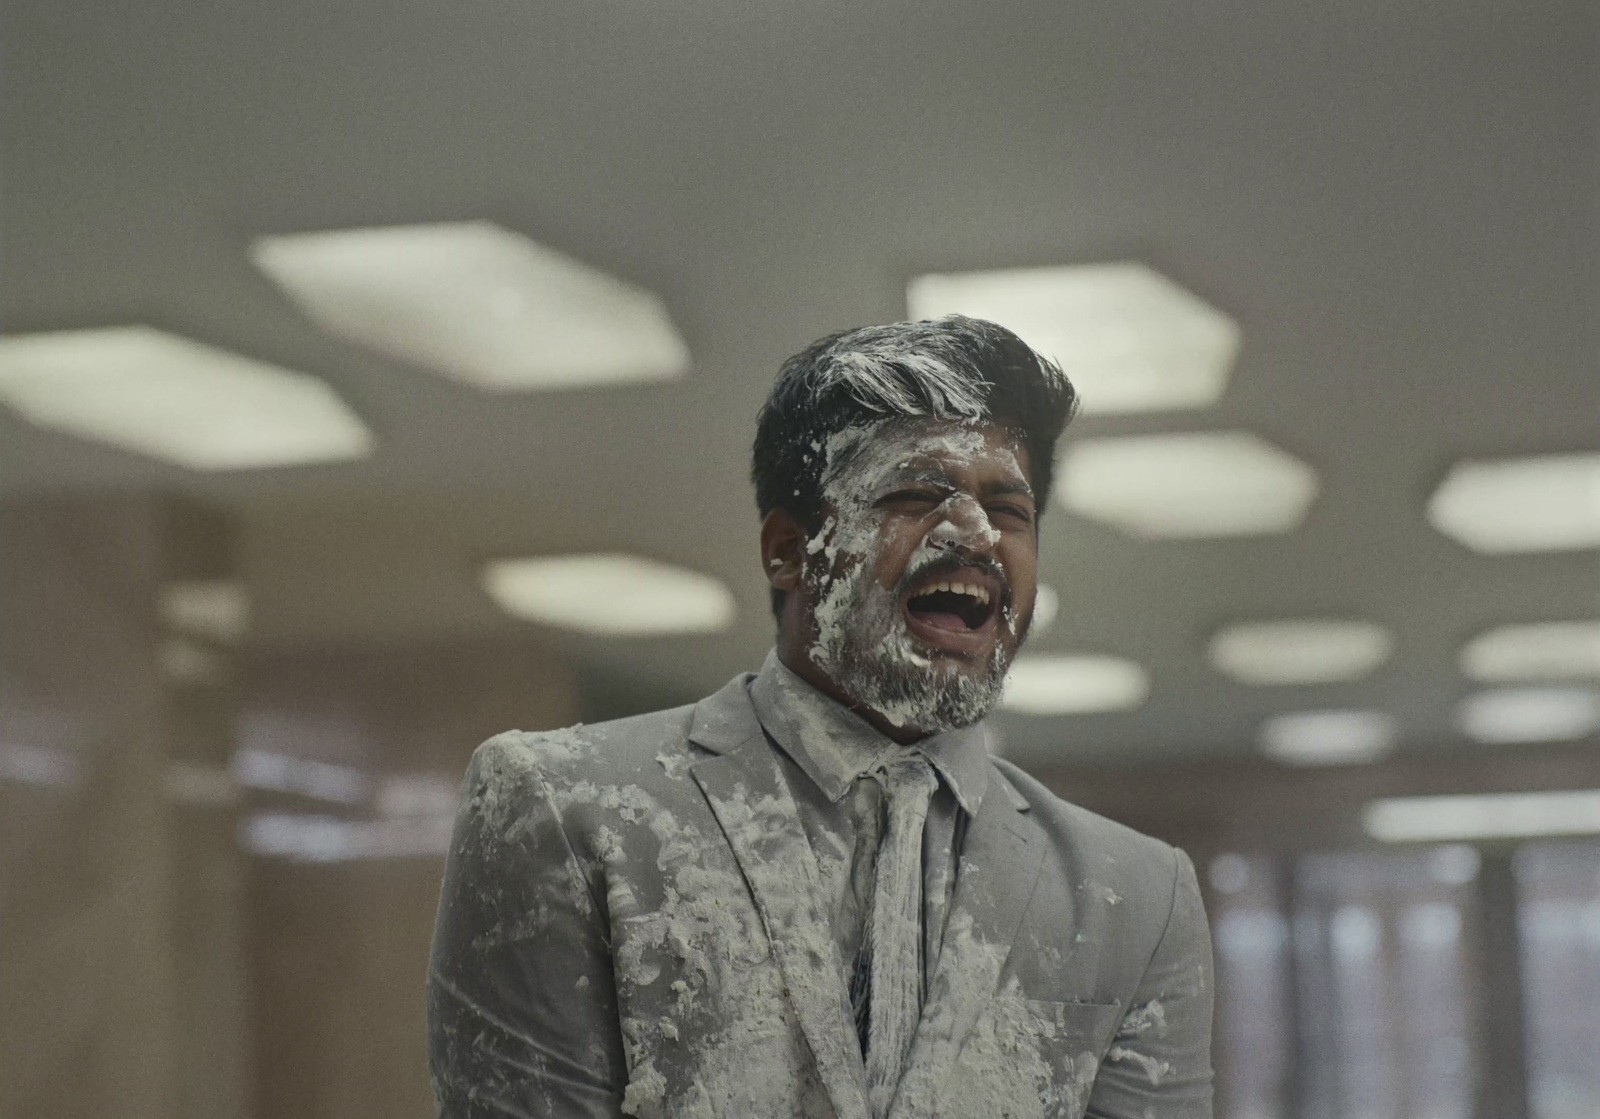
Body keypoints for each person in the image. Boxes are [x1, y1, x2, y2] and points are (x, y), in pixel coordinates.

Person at [427, 316, 1214, 1119]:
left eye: (1009, 510)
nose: (975, 532)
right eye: (917, 493)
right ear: (789, 550)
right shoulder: (565, 808)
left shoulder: (1139, 896)